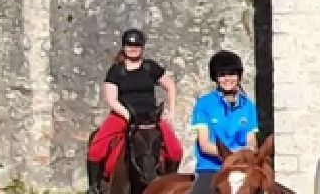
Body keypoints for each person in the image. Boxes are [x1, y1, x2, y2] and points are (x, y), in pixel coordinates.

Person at [86, 29, 183, 194]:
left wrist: (171, 110)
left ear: (142, 47)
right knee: (97, 148)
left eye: (137, 45)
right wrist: (126, 114)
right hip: (124, 115)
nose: (133, 48)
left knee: (175, 150)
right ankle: (94, 187)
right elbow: (111, 98)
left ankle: (168, 183)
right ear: (124, 47)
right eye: (130, 45)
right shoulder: (116, 70)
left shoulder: (150, 67)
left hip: (150, 117)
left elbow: (170, 86)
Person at [188, 50, 259, 194]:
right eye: (222, 75)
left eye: (232, 74)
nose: (227, 79)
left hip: (241, 167)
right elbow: (205, 144)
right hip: (212, 168)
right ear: (216, 77)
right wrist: (233, 156)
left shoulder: (248, 106)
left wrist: (244, 156)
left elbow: (251, 141)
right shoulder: (204, 104)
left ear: (239, 76)